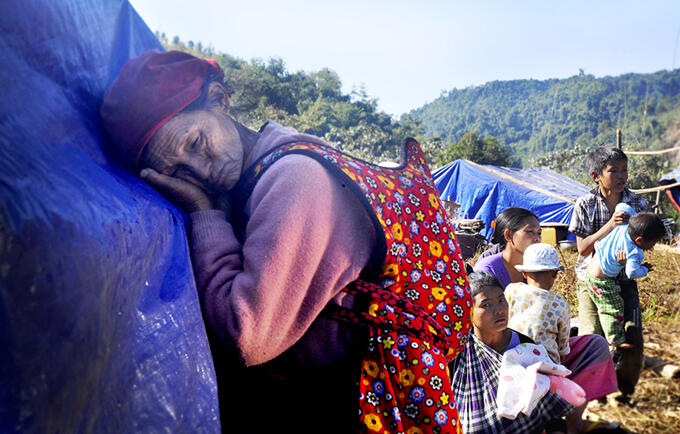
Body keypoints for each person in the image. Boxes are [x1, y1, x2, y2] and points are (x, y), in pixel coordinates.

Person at [99, 50, 472, 433]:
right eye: (175, 171)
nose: (200, 171)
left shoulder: (295, 179)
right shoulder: (269, 164)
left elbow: (248, 335)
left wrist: (203, 214)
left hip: (365, 398)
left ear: (220, 101)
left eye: (196, 143)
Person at [452, 271, 599, 434]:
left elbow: (547, 406)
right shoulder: (458, 354)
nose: (499, 310)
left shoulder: (525, 347)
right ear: (469, 311)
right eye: (486, 305)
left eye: (501, 300)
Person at [506, 243, 619, 431]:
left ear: (524, 274)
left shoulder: (511, 290)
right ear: (554, 274)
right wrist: (561, 367)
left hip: (511, 358)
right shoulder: (559, 304)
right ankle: (575, 422)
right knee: (594, 346)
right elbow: (563, 349)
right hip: (544, 365)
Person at [568, 145, 647, 404]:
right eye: (614, 170)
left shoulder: (637, 203)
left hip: (624, 279)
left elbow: (645, 241)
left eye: (625, 169)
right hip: (592, 279)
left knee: (631, 335)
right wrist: (610, 225)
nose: (622, 176)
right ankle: (596, 393)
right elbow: (582, 249)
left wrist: (635, 252)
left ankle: (623, 393)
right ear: (596, 175)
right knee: (593, 335)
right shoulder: (585, 204)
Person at [585, 204, 665, 349]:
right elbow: (632, 273)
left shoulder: (623, 226)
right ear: (639, 240)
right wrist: (644, 269)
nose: (652, 247)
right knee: (613, 308)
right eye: (652, 244)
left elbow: (622, 206)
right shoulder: (635, 252)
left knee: (609, 304)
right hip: (601, 282)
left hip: (590, 271)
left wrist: (632, 217)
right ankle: (616, 340)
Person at [473, 207, 542, 288]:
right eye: (530, 231)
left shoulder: (539, 267)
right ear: (508, 235)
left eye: (539, 233)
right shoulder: (487, 270)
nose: (537, 238)